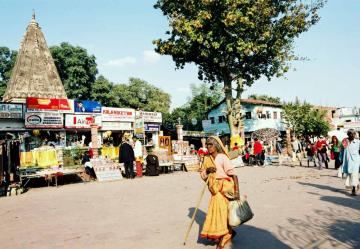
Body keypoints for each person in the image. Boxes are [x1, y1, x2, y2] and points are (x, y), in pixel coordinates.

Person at [199, 136, 238, 249]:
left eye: (210, 144)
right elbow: (202, 175)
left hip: (225, 189)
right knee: (219, 214)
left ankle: (225, 236)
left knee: (224, 214)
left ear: (216, 145)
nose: (208, 147)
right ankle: (227, 233)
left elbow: (233, 175)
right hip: (214, 190)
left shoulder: (222, 158)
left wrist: (237, 192)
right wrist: (207, 170)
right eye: (207, 145)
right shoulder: (206, 159)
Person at [340, 129, 360, 196]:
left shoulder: (358, 142)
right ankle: (357, 184)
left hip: (356, 161)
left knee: (354, 175)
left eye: (354, 134)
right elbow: (342, 151)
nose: (353, 135)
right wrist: (341, 159)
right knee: (350, 175)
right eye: (351, 134)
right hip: (347, 161)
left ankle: (353, 190)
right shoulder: (344, 141)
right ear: (348, 134)